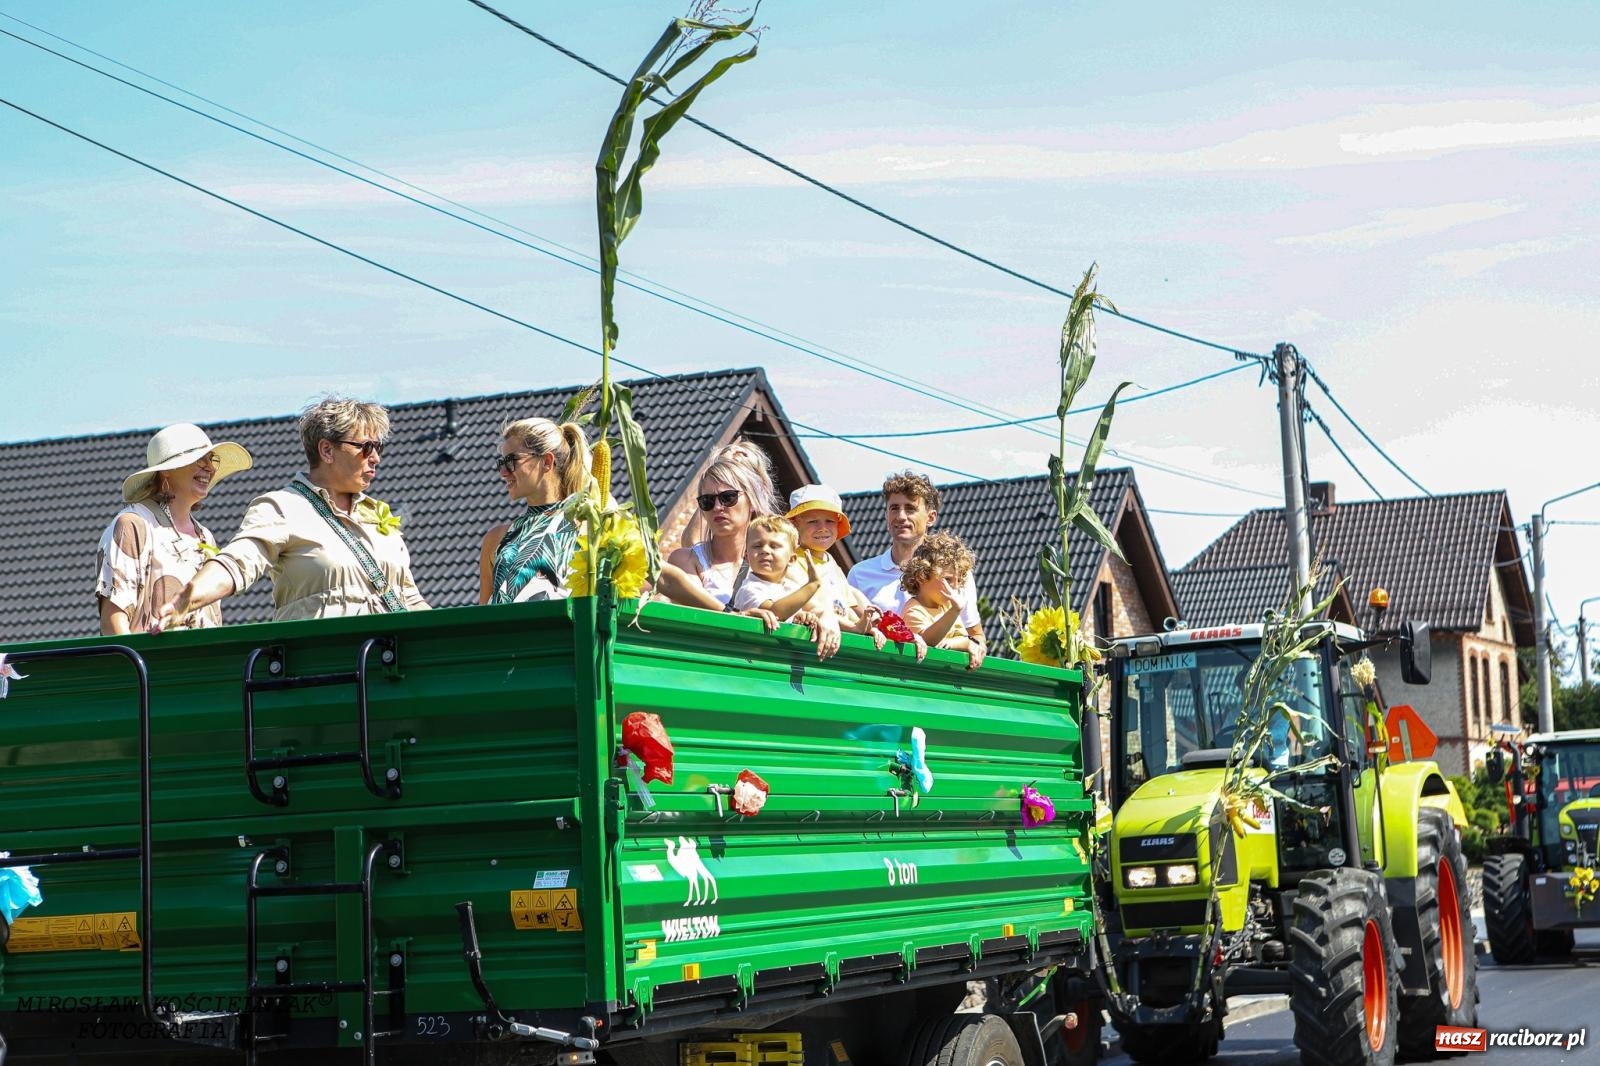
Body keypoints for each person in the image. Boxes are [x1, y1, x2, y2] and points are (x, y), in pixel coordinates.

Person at [151, 398, 427, 629]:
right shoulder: (283, 507)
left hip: (392, 671)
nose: (375, 457)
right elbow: (238, 560)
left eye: (378, 448)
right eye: (365, 447)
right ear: (327, 450)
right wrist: (185, 600)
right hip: (327, 670)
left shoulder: (378, 517)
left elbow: (409, 599)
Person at [95, 423, 253, 634]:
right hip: (153, 664)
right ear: (167, 470)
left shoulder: (205, 537)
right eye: (198, 459)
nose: (210, 467)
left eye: (211, 459)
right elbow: (113, 621)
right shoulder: (133, 525)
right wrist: (137, 667)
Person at [848, 470, 987, 669]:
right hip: (878, 681)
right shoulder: (860, 574)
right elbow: (850, 631)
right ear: (886, 515)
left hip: (937, 681)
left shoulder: (955, 575)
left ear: (931, 517)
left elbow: (976, 636)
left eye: (910, 508)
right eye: (894, 508)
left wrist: (975, 647)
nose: (901, 516)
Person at [477, 417, 589, 604]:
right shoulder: (495, 539)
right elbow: (483, 620)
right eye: (501, 463)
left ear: (546, 461)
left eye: (512, 461)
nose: (503, 472)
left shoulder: (586, 528)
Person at [785, 484, 886, 642]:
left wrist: (867, 627)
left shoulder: (831, 561)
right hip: (811, 639)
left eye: (830, 521)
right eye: (813, 521)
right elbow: (811, 608)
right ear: (794, 524)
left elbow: (847, 605)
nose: (823, 528)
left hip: (839, 637)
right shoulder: (792, 560)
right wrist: (855, 628)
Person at [899, 532, 978, 661]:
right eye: (948, 579)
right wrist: (954, 611)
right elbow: (926, 642)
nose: (955, 587)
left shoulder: (946, 607)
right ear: (921, 576)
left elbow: (965, 639)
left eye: (958, 581)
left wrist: (956, 643)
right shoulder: (914, 610)